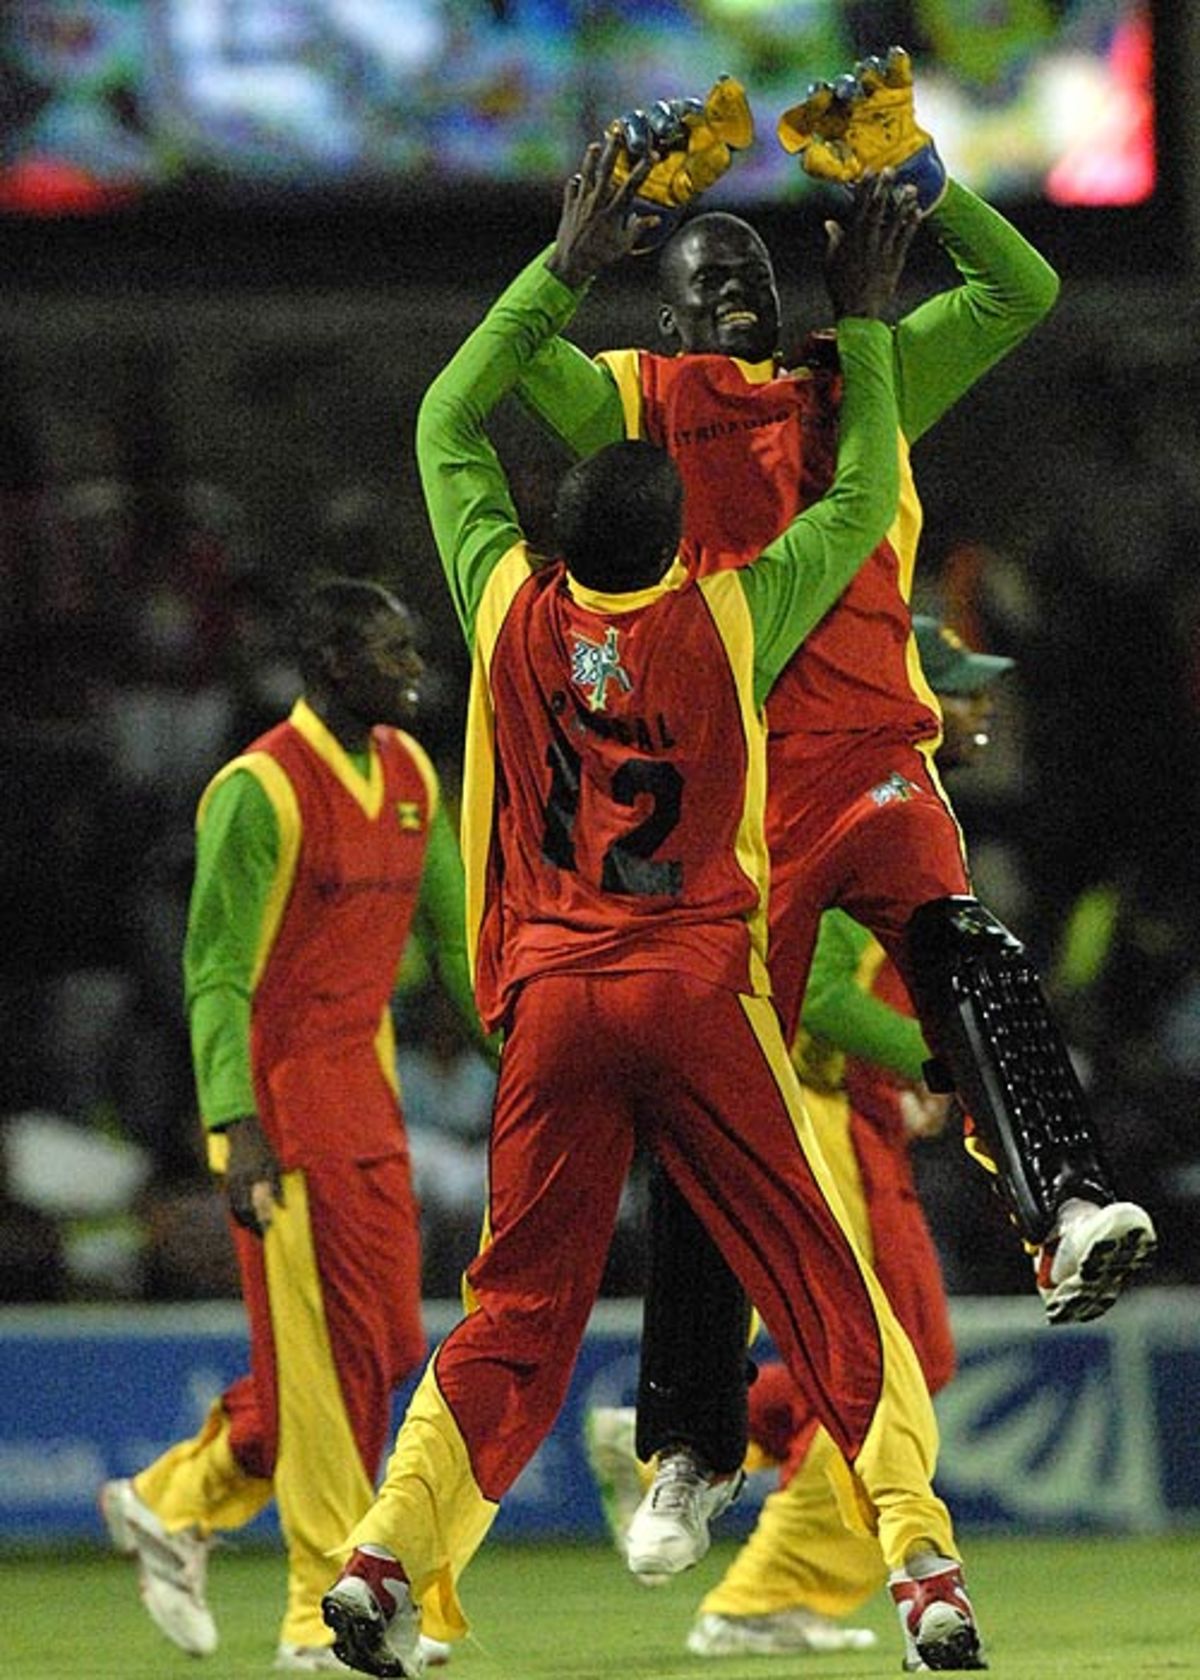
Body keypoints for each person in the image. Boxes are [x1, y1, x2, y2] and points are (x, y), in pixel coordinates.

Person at [319, 144, 987, 1676]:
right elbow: (870, 488)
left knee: (512, 1314)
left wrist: (567, 262)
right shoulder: (737, 616)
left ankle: (377, 1564)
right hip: (695, 993)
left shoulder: (503, 606)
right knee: (824, 1287)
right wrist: (866, 320)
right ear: (678, 538)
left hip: (553, 1002)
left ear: (556, 537)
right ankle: (923, 1572)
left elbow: (444, 421)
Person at [514, 49, 1156, 1568]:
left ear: (789, 297)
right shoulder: (630, 398)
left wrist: (927, 177)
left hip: (874, 759)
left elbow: (1022, 297)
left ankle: (1063, 1205)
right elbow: (488, 379)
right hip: (732, 809)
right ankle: (686, 1438)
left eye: (749, 278)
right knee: (704, 1124)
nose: (730, 303)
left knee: (967, 942)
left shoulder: (845, 373)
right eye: (699, 282)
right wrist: (573, 250)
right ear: (663, 315)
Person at [586, 614, 1014, 1657]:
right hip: (822, 1118)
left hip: (853, 1117)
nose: (978, 708)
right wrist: (926, 1058)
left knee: (889, 1360)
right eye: (957, 687)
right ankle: (763, 1592)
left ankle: (680, 1458)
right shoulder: (850, 801)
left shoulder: (893, 800)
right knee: (897, 1357)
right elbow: (817, 989)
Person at [100, 577, 478, 1673]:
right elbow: (212, 974)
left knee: (385, 1350)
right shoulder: (257, 790)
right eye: (390, 652)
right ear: (327, 664)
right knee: (314, 1369)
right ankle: (322, 1612)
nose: (413, 669)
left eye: (413, 649)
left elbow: (453, 946)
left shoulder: (410, 773)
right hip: (278, 1108)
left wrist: (530, 1052)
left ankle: (176, 1501)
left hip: (367, 1092)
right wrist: (235, 1125)